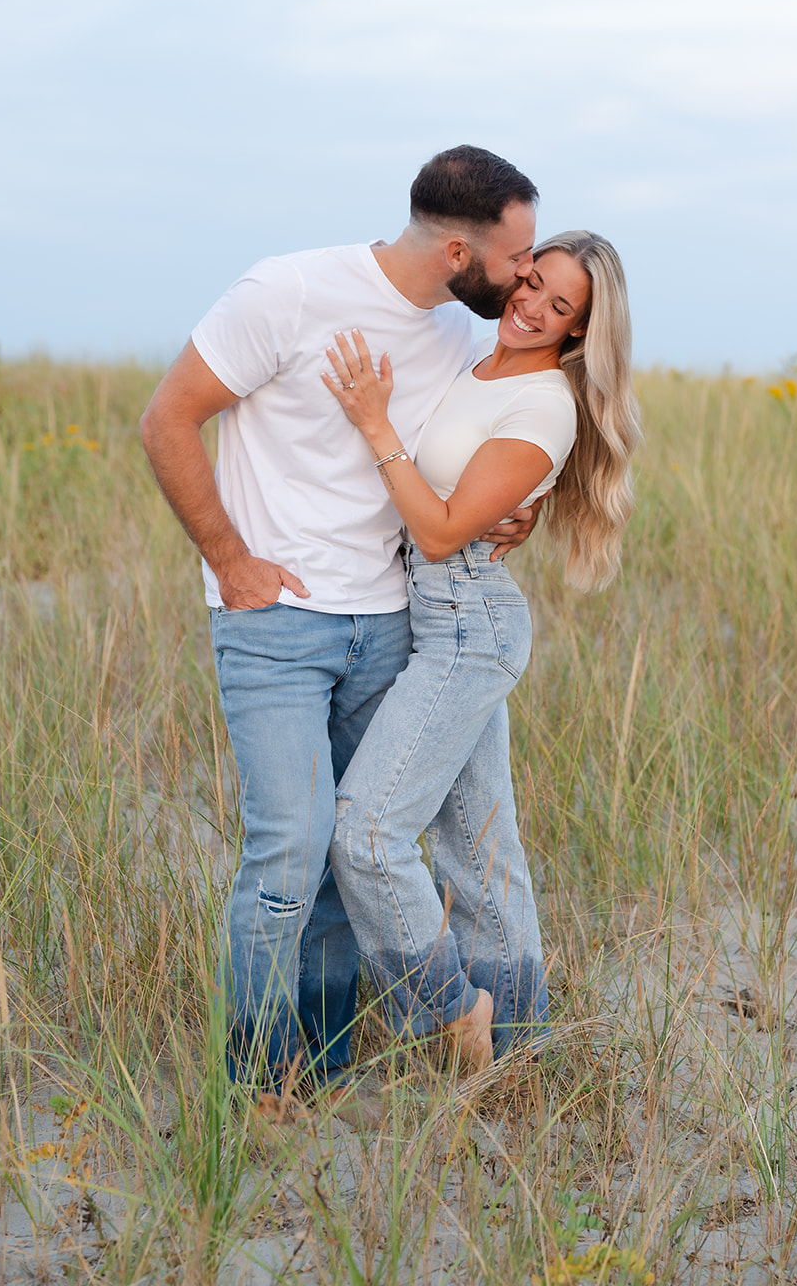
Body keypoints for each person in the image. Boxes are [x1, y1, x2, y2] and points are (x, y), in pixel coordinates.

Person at [139, 146, 545, 1096]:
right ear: (457, 251)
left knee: (347, 857)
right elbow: (168, 420)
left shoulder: (459, 338)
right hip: (277, 625)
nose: (525, 273)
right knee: (287, 850)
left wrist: (509, 512)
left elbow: (462, 461)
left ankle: (318, 1060)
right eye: (515, 256)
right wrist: (229, 561)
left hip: (394, 625)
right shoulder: (285, 292)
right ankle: (258, 1075)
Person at [322, 231, 641, 1071]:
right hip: (436, 617)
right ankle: (518, 1049)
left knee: (364, 830)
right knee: (481, 848)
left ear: (578, 332)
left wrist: (373, 424)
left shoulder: (542, 403)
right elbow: (461, 487)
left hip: (466, 626)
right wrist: (512, 504)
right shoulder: (481, 361)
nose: (530, 305)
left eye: (557, 306)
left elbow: (435, 533)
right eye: (530, 282)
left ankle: (450, 1009)